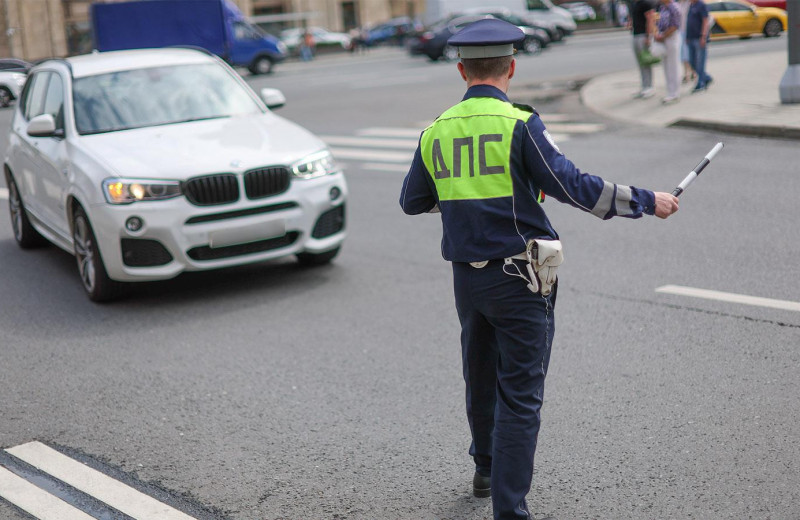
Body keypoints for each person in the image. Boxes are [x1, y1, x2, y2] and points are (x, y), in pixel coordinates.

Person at [398, 18, 679, 520]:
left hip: (468, 280)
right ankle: (510, 511)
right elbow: (573, 185)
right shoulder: (519, 125)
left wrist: (468, 205)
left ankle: (485, 469)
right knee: (521, 395)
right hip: (520, 278)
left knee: (479, 376)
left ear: (462, 70)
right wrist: (645, 200)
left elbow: (413, 200)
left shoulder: (435, 131)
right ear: (511, 67)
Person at [654, 0, 682, 103]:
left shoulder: (673, 7)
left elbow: (675, 25)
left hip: (671, 38)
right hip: (664, 38)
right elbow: (660, 22)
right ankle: (670, 91)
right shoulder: (663, 7)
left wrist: (663, 36)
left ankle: (675, 92)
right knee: (666, 66)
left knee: (673, 65)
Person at [629, 0, 658, 98]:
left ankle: (649, 86)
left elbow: (650, 19)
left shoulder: (645, 3)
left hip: (643, 35)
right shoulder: (635, 4)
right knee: (641, 62)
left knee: (646, 61)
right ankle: (644, 85)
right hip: (636, 34)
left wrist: (649, 36)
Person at [685, 0, 713, 92]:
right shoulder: (691, 5)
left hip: (699, 38)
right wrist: (687, 36)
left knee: (700, 61)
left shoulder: (701, 5)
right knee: (692, 61)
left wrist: (703, 36)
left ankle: (700, 83)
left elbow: (705, 21)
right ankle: (706, 77)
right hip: (691, 37)